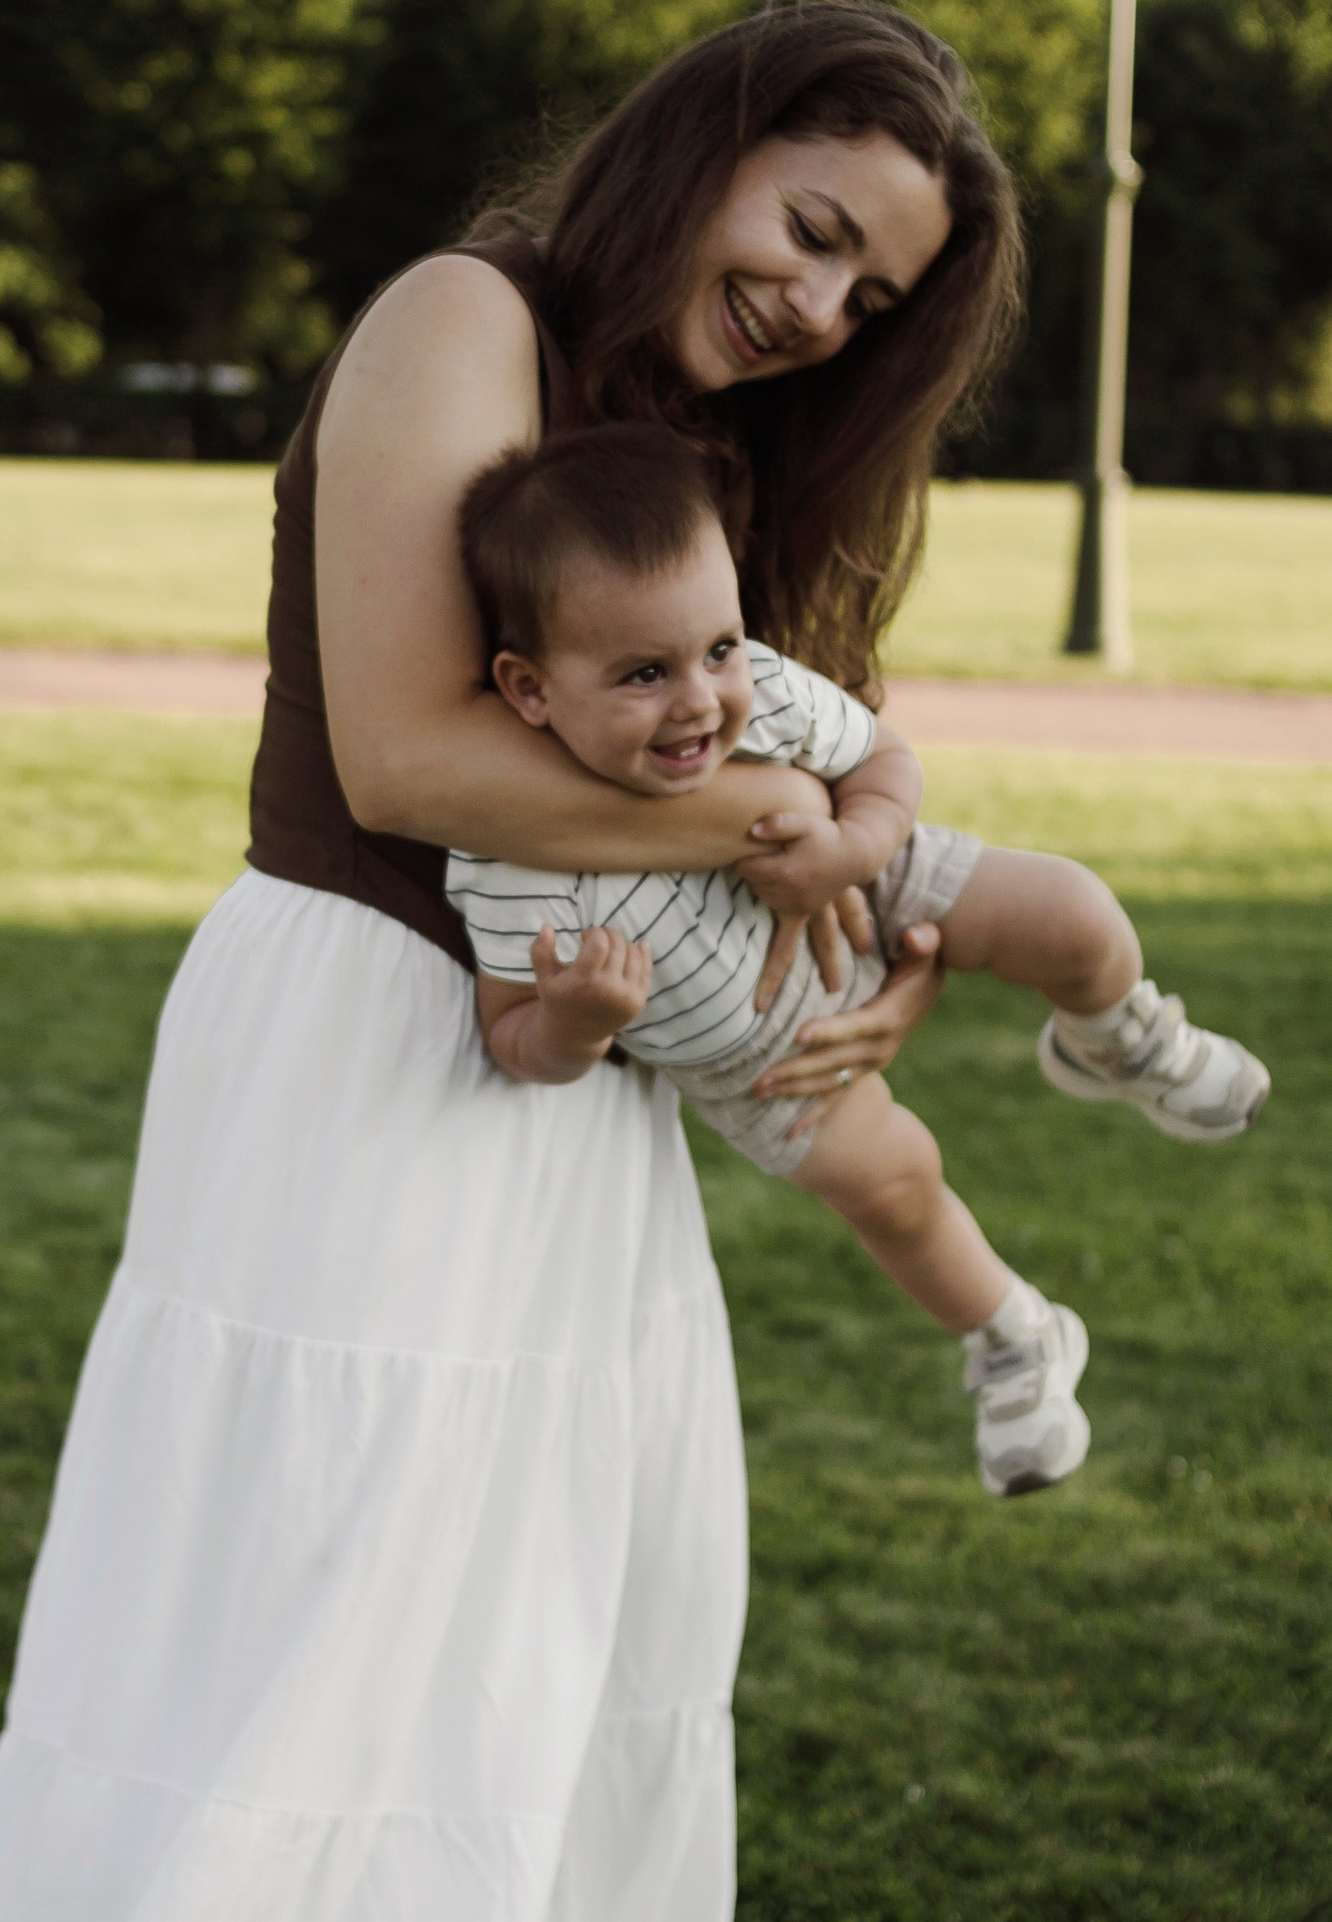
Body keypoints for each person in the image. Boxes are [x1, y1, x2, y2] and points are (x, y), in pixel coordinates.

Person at [0, 0, 1024, 1922]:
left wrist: (870, 919)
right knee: (296, 1679)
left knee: (606, 1604)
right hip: (362, 1059)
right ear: (709, 151)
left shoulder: (703, 443)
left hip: (574, 1072)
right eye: (811, 228)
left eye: (879, 290)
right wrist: (797, 830)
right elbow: (407, 753)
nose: (826, 305)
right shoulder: (463, 323)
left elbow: (798, 749)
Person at [438, 422, 1267, 1548]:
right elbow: (509, 1037)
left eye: (717, 648)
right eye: (643, 674)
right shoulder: (502, 857)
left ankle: (1120, 1036)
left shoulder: (757, 694)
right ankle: (1015, 1336)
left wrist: (856, 843)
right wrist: (577, 1024)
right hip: (754, 1063)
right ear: (529, 689)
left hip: (871, 886)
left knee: (1072, 911)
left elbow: (886, 762)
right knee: (895, 1188)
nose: (698, 702)